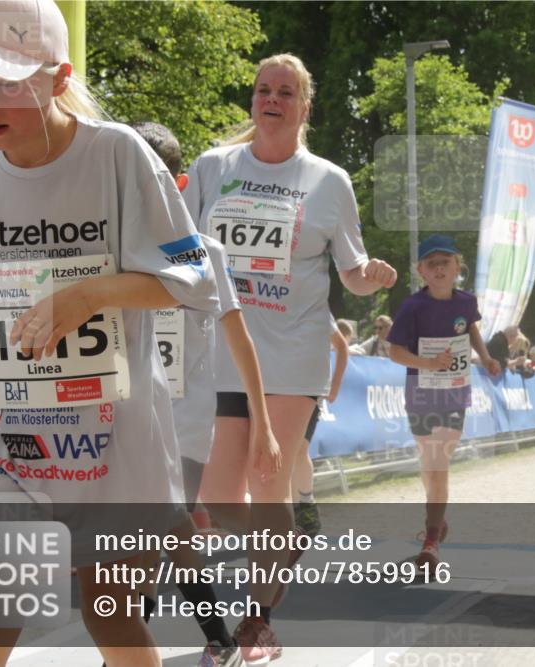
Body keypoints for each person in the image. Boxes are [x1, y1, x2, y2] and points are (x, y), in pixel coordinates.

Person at [0, 2, 218, 666]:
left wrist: (93, 292)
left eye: (6, 82)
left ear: (57, 76)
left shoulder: (118, 155)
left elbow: (194, 278)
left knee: (116, 625)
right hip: (3, 450)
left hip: (114, 449)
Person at [183, 52, 396, 663]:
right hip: (224, 348)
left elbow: (351, 275)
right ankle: (284, 540)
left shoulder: (328, 181)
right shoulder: (212, 167)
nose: (270, 100)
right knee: (222, 499)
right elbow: (181, 248)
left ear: (305, 106)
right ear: (253, 101)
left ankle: (257, 618)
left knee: (266, 481)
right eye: (261, 90)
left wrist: (371, 274)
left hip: (295, 350)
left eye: (284, 92)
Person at [134, 121, 277, 667]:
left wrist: (261, 421)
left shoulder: (205, 253)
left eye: (155, 180)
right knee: (168, 537)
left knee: (151, 538)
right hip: (125, 418)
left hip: (185, 425)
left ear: (181, 182)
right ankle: (218, 637)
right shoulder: (109, 250)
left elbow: (241, 342)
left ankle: (131, 654)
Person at [387, 234, 500, 572]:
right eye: (431, 264)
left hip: (454, 390)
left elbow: (471, 329)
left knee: (440, 461)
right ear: (421, 270)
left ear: (457, 268)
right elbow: (394, 352)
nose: (439, 269)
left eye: (445, 263)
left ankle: (431, 540)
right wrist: (427, 364)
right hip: (419, 391)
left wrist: (486, 357)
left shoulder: (466, 302)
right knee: (429, 463)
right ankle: (434, 514)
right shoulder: (412, 307)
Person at [291, 320, 350, 539]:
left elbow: (341, 345)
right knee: (285, 455)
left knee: (298, 449)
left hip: (308, 390)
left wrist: (334, 387)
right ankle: (291, 515)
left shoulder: (314, 300)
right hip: (273, 387)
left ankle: (306, 505)